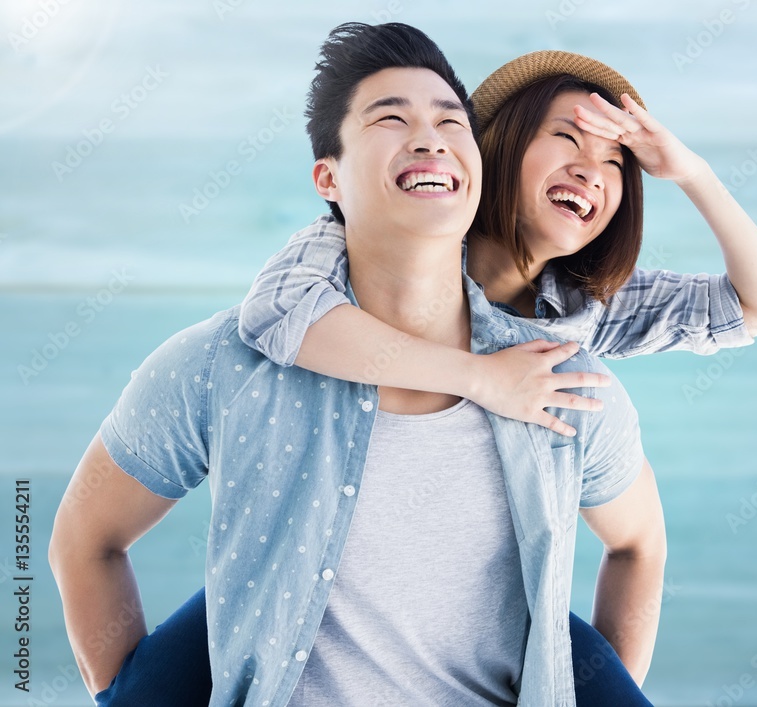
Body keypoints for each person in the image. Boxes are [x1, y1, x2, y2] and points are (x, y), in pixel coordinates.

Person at [49, 22, 665, 707]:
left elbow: (638, 546)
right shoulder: (222, 363)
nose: (429, 137)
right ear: (329, 177)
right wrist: (126, 692)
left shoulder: (559, 381)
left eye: (450, 121)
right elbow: (85, 536)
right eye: (391, 117)